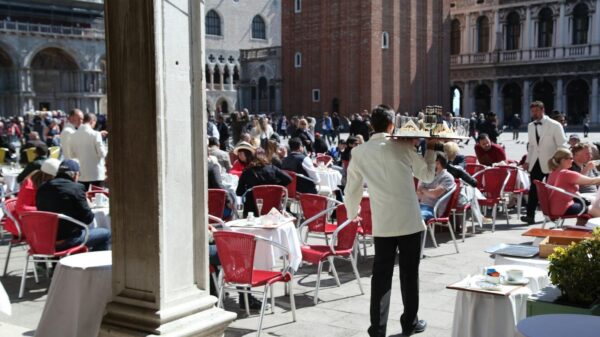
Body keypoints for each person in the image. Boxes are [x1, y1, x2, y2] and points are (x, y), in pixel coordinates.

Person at [344, 105, 435, 337]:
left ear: (371, 126)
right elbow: (427, 175)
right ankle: (410, 323)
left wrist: (352, 214)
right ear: (392, 125)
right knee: (409, 275)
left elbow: (351, 190)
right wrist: (433, 148)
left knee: (381, 277)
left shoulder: (360, 152)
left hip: (383, 223)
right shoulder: (402, 146)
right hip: (410, 221)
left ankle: (377, 328)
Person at [36, 160, 111, 251]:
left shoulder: (42, 188)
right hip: (69, 240)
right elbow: (88, 219)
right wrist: (86, 204)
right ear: (75, 175)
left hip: (46, 240)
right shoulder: (76, 188)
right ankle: (96, 264)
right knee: (105, 233)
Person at [521, 101, 568, 224]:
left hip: (552, 163)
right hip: (536, 161)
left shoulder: (555, 125)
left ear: (543, 110)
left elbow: (562, 145)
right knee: (533, 189)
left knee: (553, 189)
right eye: (532, 112)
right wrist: (527, 161)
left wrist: (558, 161)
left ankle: (555, 214)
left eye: (536, 111)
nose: (534, 114)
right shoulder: (531, 125)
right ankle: (530, 216)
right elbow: (531, 146)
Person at [236, 148, 291, 217]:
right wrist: (276, 187)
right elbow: (289, 179)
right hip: (273, 206)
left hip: (253, 209)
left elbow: (239, 192)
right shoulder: (272, 168)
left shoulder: (247, 172)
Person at [547, 149, 600, 217]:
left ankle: (580, 227)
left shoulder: (554, 172)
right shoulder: (566, 173)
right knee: (595, 209)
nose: (573, 160)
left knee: (588, 204)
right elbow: (592, 181)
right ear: (563, 160)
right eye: (571, 158)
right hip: (564, 208)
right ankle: (596, 227)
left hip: (553, 208)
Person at [70, 113, 108, 190]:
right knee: (98, 197)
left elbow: (72, 155)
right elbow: (102, 154)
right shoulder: (96, 134)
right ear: (92, 121)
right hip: (96, 173)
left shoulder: (73, 135)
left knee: (83, 197)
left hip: (82, 174)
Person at [416, 153, 456, 222]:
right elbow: (418, 194)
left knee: (417, 218)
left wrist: (423, 190)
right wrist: (427, 191)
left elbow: (434, 194)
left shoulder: (447, 177)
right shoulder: (427, 175)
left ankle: (418, 232)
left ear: (438, 163)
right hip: (420, 206)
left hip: (433, 209)